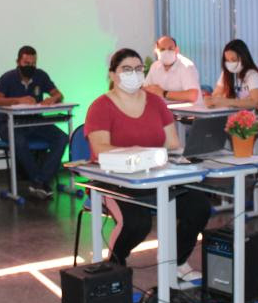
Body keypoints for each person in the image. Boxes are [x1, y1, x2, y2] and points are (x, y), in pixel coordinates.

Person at [84, 48, 211, 280]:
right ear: (112, 74)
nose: (134, 74)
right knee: (137, 223)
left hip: (156, 176)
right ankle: (114, 268)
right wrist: (138, 152)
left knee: (199, 206)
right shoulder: (101, 106)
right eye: (126, 69)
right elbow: (100, 148)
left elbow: (172, 143)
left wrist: (183, 156)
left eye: (138, 69)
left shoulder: (156, 103)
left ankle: (176, 261)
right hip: (115, 181)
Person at [0, 45, 67, 200]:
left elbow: (59, 94)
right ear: (18, 62)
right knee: (19, 141)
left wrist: (53, 99)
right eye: (26, 63)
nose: (30, 66)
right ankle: (39, 181)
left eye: (33, 63)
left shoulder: (41, 76)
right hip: (10, 123)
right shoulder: (8, 78)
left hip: (35, 121)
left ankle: (40, 180)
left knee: (62, 138)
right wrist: (18, 100)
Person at [204, 39, 258, 110]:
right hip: (240, 113)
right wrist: (211, 100)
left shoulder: (253, 75)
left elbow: (255, 102)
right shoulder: (226, 73)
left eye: (234, 60)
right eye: (227, 60)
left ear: (244, 57)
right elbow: (216, 94)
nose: (230, 63)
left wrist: (226, 101)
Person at [143, 36, 202, 104]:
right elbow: (145, 89)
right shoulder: (155, 66)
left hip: (189, 110)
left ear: (177, 50)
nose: (166, 52)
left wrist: (164, 93)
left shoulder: (186, 66)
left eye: (170, 49)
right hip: (165, 108)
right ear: (156, 51)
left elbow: (192, 95)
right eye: (162, 49)